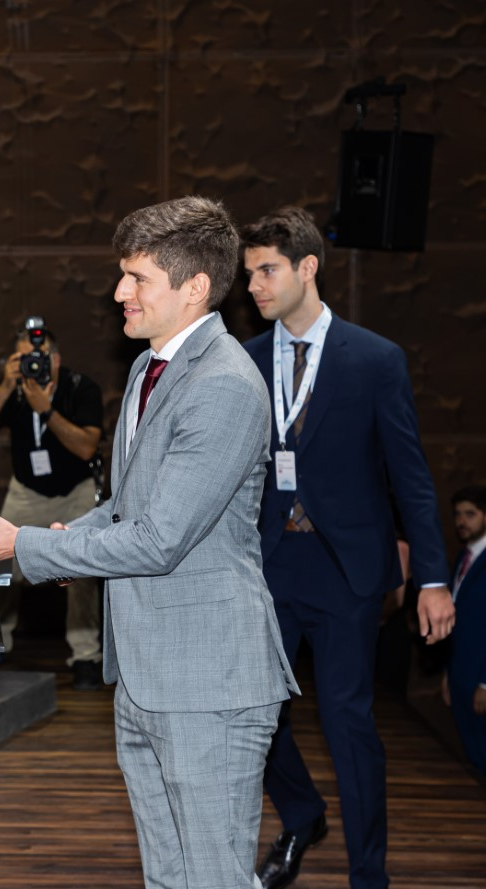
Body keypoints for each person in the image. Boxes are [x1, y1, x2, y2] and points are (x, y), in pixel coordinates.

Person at [0, 196, 298, 889]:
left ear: (193, 288)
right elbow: (127, 508)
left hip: (207, 682)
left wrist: (29, 546)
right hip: (146, 675)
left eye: (137, 278)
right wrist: (66, 535)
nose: (118, 292)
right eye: (121, 274)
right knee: (168, 878)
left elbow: (159, 540)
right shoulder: (147, 367)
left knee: (213, 878)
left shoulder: (222, 383)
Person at [241, 205, 456, 889]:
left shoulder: (373, 358)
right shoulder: (244, 362)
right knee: (254, 713)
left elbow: (412, 479)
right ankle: (302, 812)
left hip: (345, 571)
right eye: (249, 275)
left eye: (267, 270)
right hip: (269, 564)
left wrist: (432, 577)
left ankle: (370, 873)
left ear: (308, 268)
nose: (255, 286)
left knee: (347, 720)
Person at [0, 318, 104, 687]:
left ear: (56, 360)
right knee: (0, 560)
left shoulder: (79, 388)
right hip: (27, 491)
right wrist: (6, 386)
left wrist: (45, 409)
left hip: (75, 491)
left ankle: (86, 655)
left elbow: (86, 446)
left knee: (81, 570)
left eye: (39, 358)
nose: (33, 365)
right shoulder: (14, 389)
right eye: (24, 358)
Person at [445, 486, 486, 774]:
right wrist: (448, 673)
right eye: (458, 514)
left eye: (470, 514)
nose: (462, 521)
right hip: (461, 672)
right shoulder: (464, 557)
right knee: (473, 754)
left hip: (482, 677)